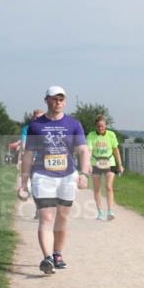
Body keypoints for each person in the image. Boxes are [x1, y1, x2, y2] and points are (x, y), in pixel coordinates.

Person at [18, 86, 91, 274]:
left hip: (67, 176)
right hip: (43, 176)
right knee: (47, 217)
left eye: (61, 99)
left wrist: (83, 174)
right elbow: (28, 155)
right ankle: (47, 258)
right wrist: (23, 183)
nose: (57, 103)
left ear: (64, 102)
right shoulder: (36, 125)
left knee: (63, 218)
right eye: (53, 99)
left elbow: (83, 150)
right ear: (46, 100)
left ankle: (58, 253)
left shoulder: (74, 124)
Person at [86, 115, 125, 220]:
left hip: (109, 163)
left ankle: (110, 211)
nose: (100, 128)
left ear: (106, 126)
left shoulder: (111, 135)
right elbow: (89, 150)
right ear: (95, 126)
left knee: (108, 186)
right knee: (97, 188)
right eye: (98, 126)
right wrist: (87, 163)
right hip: (95, 163)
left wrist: (120, 164)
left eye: (102, 126)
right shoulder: (91, 135)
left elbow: (116, 150)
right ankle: (100, 212)